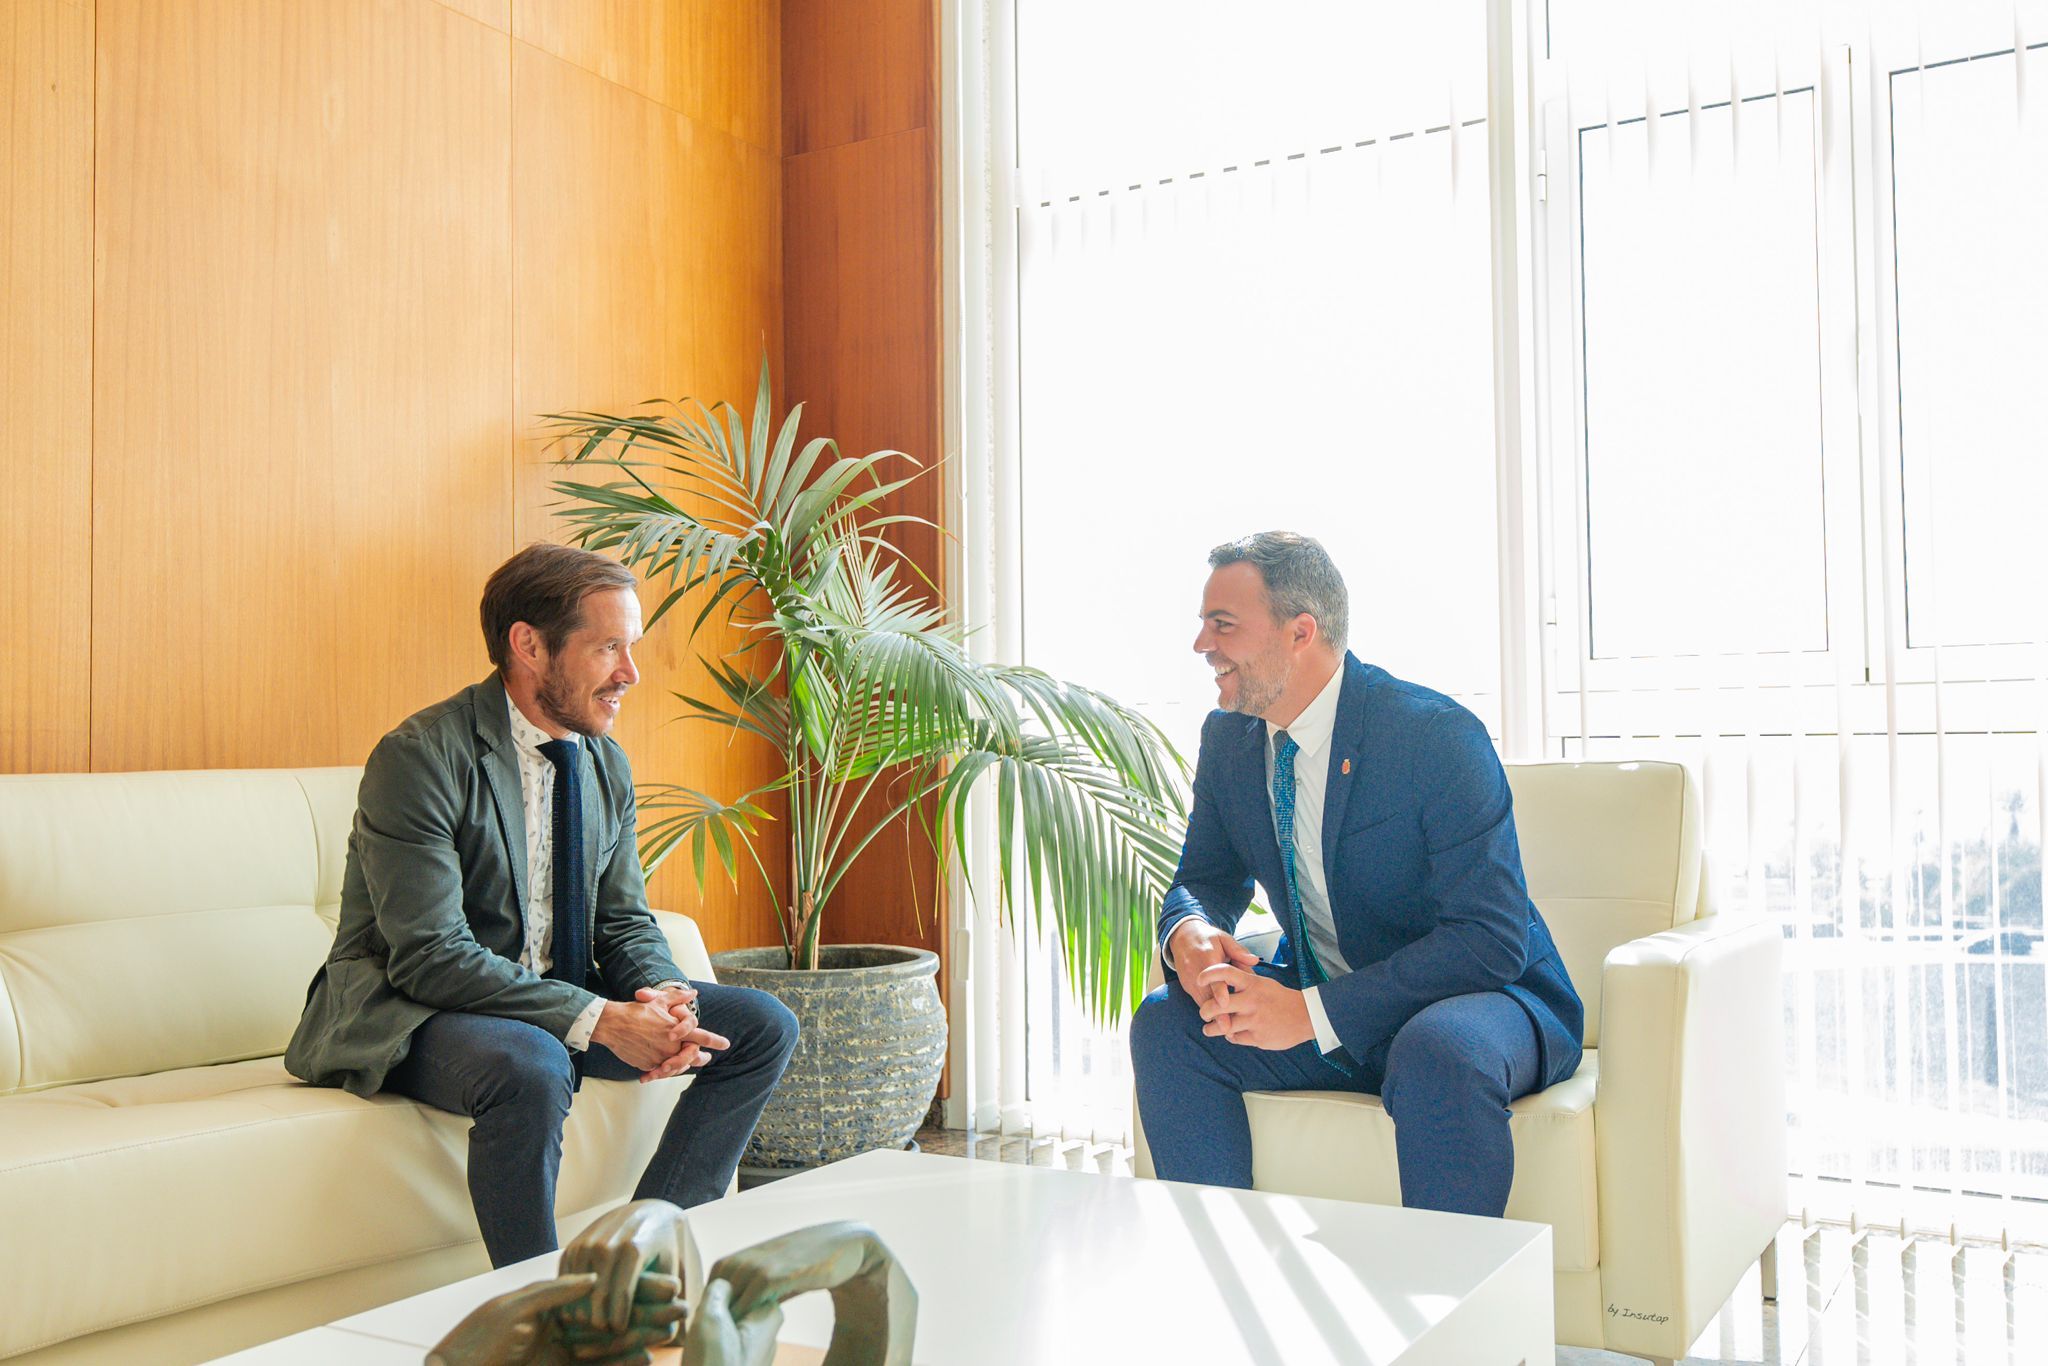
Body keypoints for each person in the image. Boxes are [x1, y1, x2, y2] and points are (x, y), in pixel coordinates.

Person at [286, 543, 798, 1266]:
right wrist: (597, 1019)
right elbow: (430, 955)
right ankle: (538, 1306)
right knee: (533, 1064)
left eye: (633, 646)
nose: (631, 673)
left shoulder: (602, 761)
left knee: (760, 1026)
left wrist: (665, 995)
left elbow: (622, 921)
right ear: (528, 645)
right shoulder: (422, 756)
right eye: (609, 647)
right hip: (417, 1009)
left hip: (548, 1003)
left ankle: (640, 1263)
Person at [1129, 531, 1583, 1217]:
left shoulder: (1434, 736)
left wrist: (1313, 1015)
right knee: (1170, 1022)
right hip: (1325, 993)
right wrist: (1189, 930)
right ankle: (1221, 1270)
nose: (1202, 645)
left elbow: (1489, 939)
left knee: (1438, 1051)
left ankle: (1451, 1310)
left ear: (1300, 632)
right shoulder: (1229, 740)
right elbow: (1206, 875)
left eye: (1223, 625)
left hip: (1485, 998)